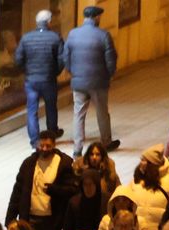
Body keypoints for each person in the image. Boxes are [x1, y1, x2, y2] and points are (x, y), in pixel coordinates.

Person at [6, 127, 78, 230]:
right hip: (30, 219)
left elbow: (72, 189)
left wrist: (54, 190)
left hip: (51, 221)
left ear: (54, 146)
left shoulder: (63, 164)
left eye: (48, 146)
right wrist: (11, 218)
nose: (44, 149)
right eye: (42, 146)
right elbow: (18, 192)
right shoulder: (28, 164)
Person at [63, 6, 118, 156]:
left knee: (78, 114)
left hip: (78, 82)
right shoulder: (103, 35)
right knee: (102, 113)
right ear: (97, 17)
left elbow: (65, 56)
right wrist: (110, 74)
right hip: (98, 82)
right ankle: (106, 142)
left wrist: (73, 72)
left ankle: (77, 147)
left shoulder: (73, 34)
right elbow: (110, 59)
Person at [15, 10, 66, 149]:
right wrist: (55, 72)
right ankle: (51, 136)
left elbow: (18, 59)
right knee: (51, 107)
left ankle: (35, 141)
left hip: (31, 81)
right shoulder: (55, 37)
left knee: (32, 110)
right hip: (49, 79)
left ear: (37, 22)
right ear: (49, 22)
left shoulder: (26, 38)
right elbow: (62, 59)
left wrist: (27, 71)